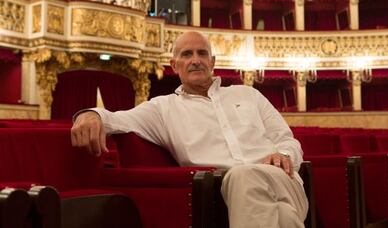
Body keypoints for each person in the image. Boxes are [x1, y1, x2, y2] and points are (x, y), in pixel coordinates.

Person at [71, 31, 308, 228]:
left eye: (202, 53)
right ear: (175, 65)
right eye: (187, 54)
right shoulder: (163, 109)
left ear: (212, 62)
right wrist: (90, 114)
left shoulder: (249, 95)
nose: (195, 59)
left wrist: (284, 155)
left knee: (246, 176)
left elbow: (287, 140)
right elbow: (117, 120)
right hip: (220, 192)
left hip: (281, 180)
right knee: (283, 216)